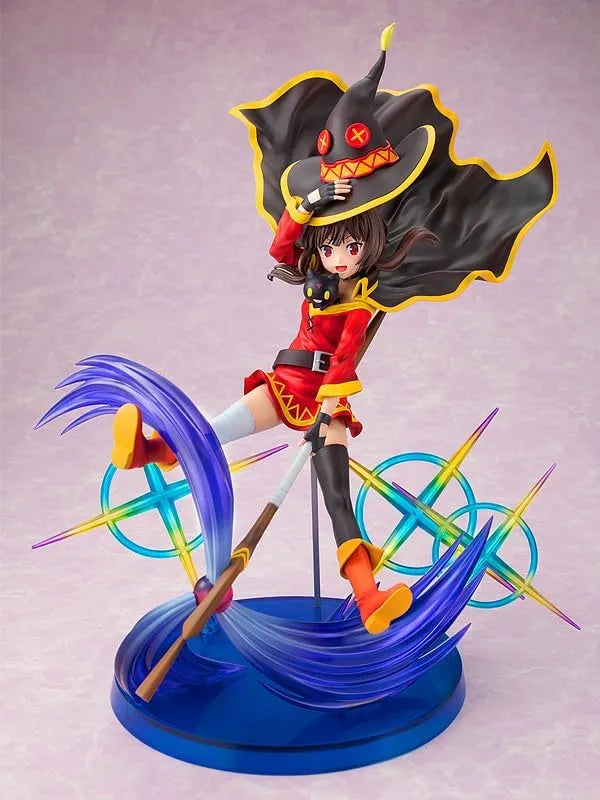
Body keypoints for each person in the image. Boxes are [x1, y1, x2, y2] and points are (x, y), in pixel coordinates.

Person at [111, 23, 557, 634]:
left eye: (352, 246)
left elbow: (345, 361)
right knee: (215, 430)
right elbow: (281, 248)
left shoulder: (361, 304)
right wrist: (310, 202)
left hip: (328, 403)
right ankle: (156, 451)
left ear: (371, 244)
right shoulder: (313, 271)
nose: (340, 257)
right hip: (285, 384)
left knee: (338, 501)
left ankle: (369, 596)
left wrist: (328, 413)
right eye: (330, 245)